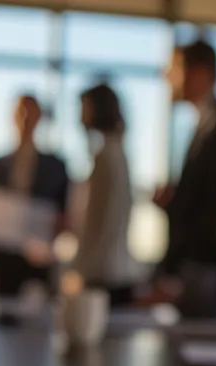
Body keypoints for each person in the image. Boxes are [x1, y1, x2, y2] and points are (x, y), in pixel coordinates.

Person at [150, 40, 216, 319]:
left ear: (200, 73)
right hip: (193, 267)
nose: (169, 77)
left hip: (207, 268)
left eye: (175, 68)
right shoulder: (202, 126)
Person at [0, 94, 71, 299]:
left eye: (31, 112)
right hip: (0, 262)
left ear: (39, 117)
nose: (26, 118)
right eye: (21, 112)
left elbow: (65, 215)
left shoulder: (56, 167)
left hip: (38, 265)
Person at [72, 82, 137, 306]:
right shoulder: (115, 152)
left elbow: (104, 222)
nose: (79, 116)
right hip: (109, 271)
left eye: (84, 107)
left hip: (104, 274)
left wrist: (82, 269)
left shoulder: (107, 156)